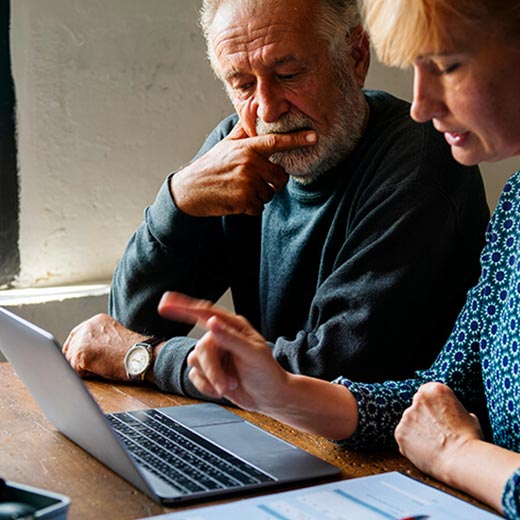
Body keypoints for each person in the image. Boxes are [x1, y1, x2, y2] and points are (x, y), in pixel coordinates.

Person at [155, 0, 520, 517]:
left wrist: (459, 454)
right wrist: (275, 390)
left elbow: (447, 434)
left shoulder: (415, 159)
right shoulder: (519, 204)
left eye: (446, 65)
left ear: (355, 56)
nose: (421, 103)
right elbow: (440, 394)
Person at [64, 0, 489, 398]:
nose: (266, 110)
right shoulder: (239, 153)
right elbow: (130, 321)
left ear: (356, 56)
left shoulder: (422, 161)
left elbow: (332, 373)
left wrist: (147, 360)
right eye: (243, 84)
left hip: (394, 460)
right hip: (283, 436)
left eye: (288, 75)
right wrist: (177, 201)